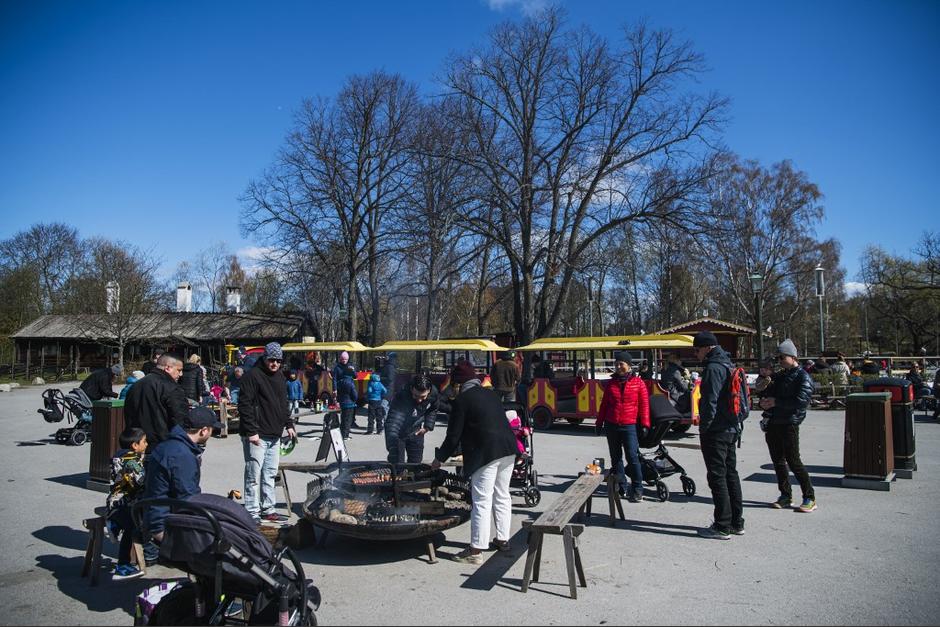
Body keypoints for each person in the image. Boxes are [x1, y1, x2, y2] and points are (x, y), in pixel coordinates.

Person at [431, 361, 518, 565]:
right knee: (502, 495)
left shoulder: (462, 401)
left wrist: (439, 459)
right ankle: (503, 539)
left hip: (486, 454)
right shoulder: (491, 394)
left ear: (459, 384)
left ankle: (476, 550)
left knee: (481, 500)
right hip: (509, 449)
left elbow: (453, 437)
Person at [141, 406, 220, 561]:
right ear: (203, 431)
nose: (212, 434)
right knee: (220, 539)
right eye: (212, 430)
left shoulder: (168, 445)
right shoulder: (181, 455)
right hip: (163, 522)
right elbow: (188, 497)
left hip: (154, 512)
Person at [692, 331, 744, 540]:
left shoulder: (713, 368)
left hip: (717, 430)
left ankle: (722, 525)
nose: (696, 354)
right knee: (731, 474)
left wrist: (704, 428)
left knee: (717, 477)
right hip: (732, 427)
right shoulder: (728, 364)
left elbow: (709, 402)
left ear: (707, 348)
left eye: (697, 349)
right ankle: (736, 522)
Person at [238, 342, 297, 524]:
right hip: (257, 434)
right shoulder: (252, 376)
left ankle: (268, 508)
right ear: (265, 358)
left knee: (270, 474)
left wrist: (289, 424)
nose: (275, 364)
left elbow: (283, 403)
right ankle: (252, 510)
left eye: (278, 360)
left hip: (275, 434)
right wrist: (251, 431)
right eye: (272, 360)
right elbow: (245, 405)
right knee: (253, 474)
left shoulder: (279, 376)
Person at [759, 339, 817, 513]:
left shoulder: (803, 376)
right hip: (773, 422)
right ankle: (785, 495)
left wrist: (776, 402)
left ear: (793, 356)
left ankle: (809, 497)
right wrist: (764, 399)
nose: (780, 361)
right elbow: (766, 391)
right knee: (778, 461)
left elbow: (801, 401)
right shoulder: (779, 376)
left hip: (789, 422)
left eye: (782, 357)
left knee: (793, 461)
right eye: (778, 358)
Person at [594, 351, 649, 502]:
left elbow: (644, 405)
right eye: (616, 364)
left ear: (629, 366)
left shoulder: (639, 383)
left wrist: (645, 424)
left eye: (621, 364)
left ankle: (637, 489)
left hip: (629, 425)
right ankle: (622, 486)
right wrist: (599, 423)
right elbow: (604, 405)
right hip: (611, 425)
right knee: (616, 458)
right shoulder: (611, 383)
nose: (618, 366)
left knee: (632, 457)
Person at [106, 427, 148, 580]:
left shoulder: (118, 457)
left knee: (132, 525)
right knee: (133, 527)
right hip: (123, 503)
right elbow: (142, 481)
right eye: (144, 441)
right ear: (134, 445)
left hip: (114, 501)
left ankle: (114, 523)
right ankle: (122, 565)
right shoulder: (132, 462)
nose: (147, 444)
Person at [124, 354, 188, 448]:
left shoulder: (136, 385)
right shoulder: (172, 388)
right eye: (179, 370)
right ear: (168, 368)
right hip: (162, 445)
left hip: (137, 443)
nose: (181, 374)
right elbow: (180, 419)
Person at [385, 374, 439, 463]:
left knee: (415, 465)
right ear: (411, 389)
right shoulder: (402, 396)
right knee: (398, 465)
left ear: (429, 391)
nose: (419, 400)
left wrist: (427, 427)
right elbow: (393, 423)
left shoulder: (433, 394)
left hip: (416, 431)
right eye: (416, 396)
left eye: (423, 397)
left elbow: (433, 409)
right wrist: (393, 446)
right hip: (399, 433)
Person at [336, 365, 359, 440]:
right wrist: (355, 399)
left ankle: (342, 434)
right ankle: (345, 435)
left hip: (343, 403)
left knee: (343, 419)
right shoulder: (350, 383)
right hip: (350, 404)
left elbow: (338, 393)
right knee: (348, 420)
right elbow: (354, 394)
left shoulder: (340, 382)